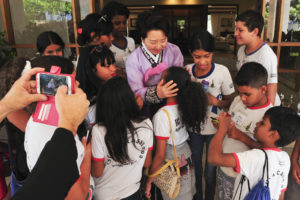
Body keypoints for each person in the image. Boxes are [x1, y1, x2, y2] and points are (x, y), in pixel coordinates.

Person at [0, 68, 90, 199]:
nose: (77, 85)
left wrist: (6, 104)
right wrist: (69, 125)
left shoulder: (33, 122)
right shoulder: (42, 129)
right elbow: (43, 188)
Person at [23, 56, 91, 200]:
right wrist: (87, 152)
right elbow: (78, 196)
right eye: (72, 81)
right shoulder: (55, 134)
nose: (78, 84)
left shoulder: (38, 119)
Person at [208, 106, 300, 200]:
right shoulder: (285, 158)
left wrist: (221, 130)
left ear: (273, 134)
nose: (257, 123)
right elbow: (281, 193)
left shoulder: (256, 157)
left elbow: (214, 158)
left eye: (262, 123)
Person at [185, 30, 235, 200]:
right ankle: (198, 196)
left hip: (215, 129)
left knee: (211, 170)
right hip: (194, 128)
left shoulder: (222, 71)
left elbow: (230, 102)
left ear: (213, 53)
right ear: (191, 54)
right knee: (196, 169)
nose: (202, 62)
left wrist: (216, 102)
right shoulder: (187, 72)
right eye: (197, 56)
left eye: (207, 56)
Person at [145, 67, 208, 200]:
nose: (158, 83)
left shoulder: (162, 116)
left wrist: (149, 180)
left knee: (175, 194)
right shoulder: (185, 106)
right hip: (186, 154)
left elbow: (160, 155)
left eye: (161, 80)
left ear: (170, 87)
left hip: (172, 160)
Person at [216, 62, 273, 200]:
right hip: (224, 168)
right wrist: (222, 125)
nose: (242, 98)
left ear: (263, 89)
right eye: (240, 93)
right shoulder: (237, 101)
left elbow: (269, 154)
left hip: (243, 176)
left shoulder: (269, 116)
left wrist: (242, 137)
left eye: (247, 94)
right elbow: (230, 122)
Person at [91, 77, 153, 200]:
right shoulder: (146, 124)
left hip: (104, 195)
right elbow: (147, 163)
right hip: (132, 192)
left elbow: (97, 172)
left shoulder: (99, 130)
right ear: (130, 99)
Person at [126, 10, 183, 117]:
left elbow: (178, 76)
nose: (158, 46)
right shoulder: (133, 59)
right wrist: (157, 93)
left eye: (163, 40)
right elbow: (136, 91)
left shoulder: (174, 50)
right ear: (142, 39)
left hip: (172, 102)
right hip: (147, 109)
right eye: (153, 42)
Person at [235, 10, 280, 106]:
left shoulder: (266, 55)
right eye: (236, 29)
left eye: (240, 30)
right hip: (249, 102)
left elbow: (271, 87)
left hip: (263, 106)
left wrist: (266, 113)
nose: (235, 33)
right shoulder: (241, 50)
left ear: (255, 32)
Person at [76, 45, 118, 128]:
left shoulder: (113, 84)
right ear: (91, 69)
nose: (114, 68)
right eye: (107, 66)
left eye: (113, 63)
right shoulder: (89, 101)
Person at [101, 1, 135, 72]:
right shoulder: (105, 45)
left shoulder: (131, 41)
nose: (122, 26)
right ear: (108, 24)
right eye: (117, 23)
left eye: (124, 22)